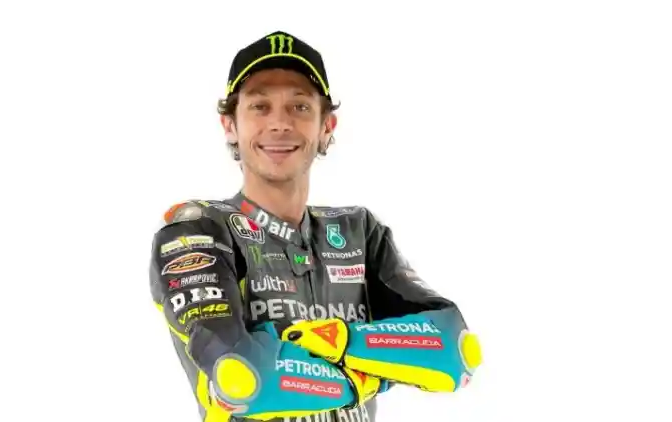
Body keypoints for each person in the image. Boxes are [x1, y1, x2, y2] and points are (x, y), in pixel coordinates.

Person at [148, 30, 482, 422]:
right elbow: (240, 378)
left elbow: (455, 348)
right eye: (259, 106)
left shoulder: (359, 231)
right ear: (230, 125)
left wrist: (341, 341)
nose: (279, 123)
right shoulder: (197, 229)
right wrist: (365, 378)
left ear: (327, 126)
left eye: (300, 106)